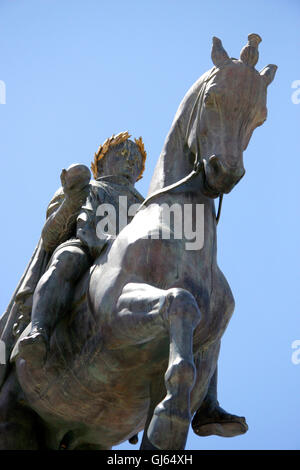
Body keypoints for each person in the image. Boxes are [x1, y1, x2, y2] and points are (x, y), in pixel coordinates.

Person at [18, 131, 146, 365]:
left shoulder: (149, 206)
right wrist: (72, 198)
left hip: (135, 260)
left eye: (137, 159)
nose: (131, 161)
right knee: (67, 258)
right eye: (123, 153)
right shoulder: (88, 188)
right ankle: (39, 330)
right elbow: (49, 237)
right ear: (101, 162)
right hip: (87, 248)